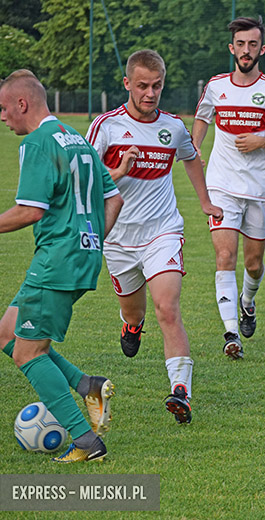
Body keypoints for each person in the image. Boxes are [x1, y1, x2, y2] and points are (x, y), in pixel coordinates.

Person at [86, 50, 223, 424]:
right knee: (136, 309)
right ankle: (131, 325)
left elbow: (190, 156)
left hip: (163, 231)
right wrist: (118, 169)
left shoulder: (173, 127)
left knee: (167, 307)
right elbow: (84, 179)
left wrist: (206, 202)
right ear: (127, 83)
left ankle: (181, 390)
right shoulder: (106, 127)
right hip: (118, 239)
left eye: (157, 86)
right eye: (143, 86)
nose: (150, 93)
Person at [0, 70, 124, 462]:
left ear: (23, 104)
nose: (2, 117)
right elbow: (114, 198)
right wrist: (91, 240)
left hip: (57, 259)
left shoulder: (37, 143)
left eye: (4, 108)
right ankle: (86, 385)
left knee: (28, 353)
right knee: (6, 332)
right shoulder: (79, 141)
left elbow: (30, 210)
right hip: (80, 255)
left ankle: (86, 441)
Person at [192, 16, 265, 360]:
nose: (246, 50)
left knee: (253, 264)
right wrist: (194, 152)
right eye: (241, 44)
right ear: (231, 48)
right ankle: (230, 333)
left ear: (261, 49)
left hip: (260, 188)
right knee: (225, 256)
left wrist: (263, 140)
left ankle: (247, 302)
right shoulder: (216, 86)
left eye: (252, 44)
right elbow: (203, 117)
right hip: (222, 184)